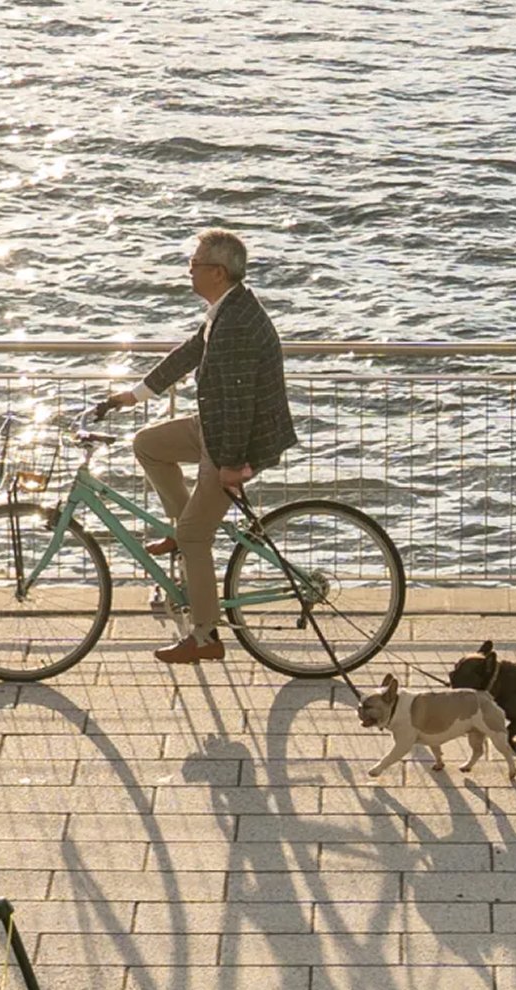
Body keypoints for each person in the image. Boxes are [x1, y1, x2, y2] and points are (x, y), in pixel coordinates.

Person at [106, 228, 297, 664]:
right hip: (217, 426)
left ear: (216, 271)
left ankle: (206, 636)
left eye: (193, 264)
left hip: (236, 440)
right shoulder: (225, 310)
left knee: (196, 535)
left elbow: (236, 404)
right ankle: (183, 527)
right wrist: (130, 396)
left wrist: (231, 468)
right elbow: (189, 352)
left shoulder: (235, 324)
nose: (188, 270)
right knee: (149, 444)